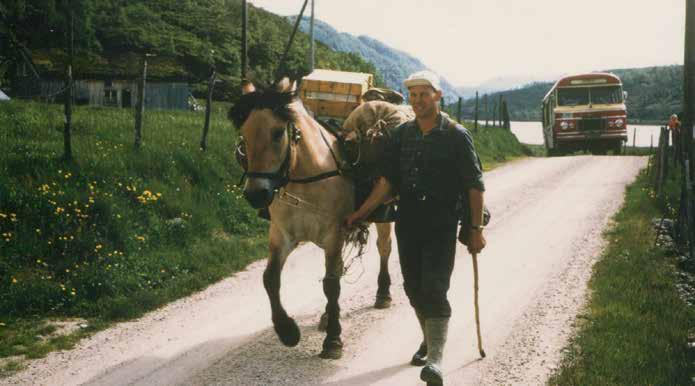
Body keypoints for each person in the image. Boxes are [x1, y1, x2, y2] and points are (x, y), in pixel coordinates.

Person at [345, 70, 486, 385]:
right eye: (413, 95)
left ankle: (435, 360)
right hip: (408, 221)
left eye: (424, 94)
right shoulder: (403, 134)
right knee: (412, 288)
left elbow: (474, 186)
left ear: (437, 96)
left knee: (435, 288)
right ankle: (429, 338)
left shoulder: (456, 135)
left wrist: (475, 228)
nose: (418, 100)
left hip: (442, 222)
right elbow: (387, 182)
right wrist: (361, 212)